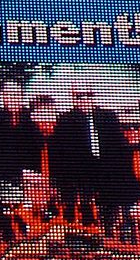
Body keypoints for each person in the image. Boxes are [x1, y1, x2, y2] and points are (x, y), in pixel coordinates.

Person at [52, 82, 128, 224]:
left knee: (110, 199)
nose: (85, 100)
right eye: (80, 96)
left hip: (106, 167)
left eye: (89, 95)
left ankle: (109, 224)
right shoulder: (66, 120)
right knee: (81, 200)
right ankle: (85, 223)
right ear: (73, 99)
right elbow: (61, 152)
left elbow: (119, 146)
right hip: (80, 170)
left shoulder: (108, 117)